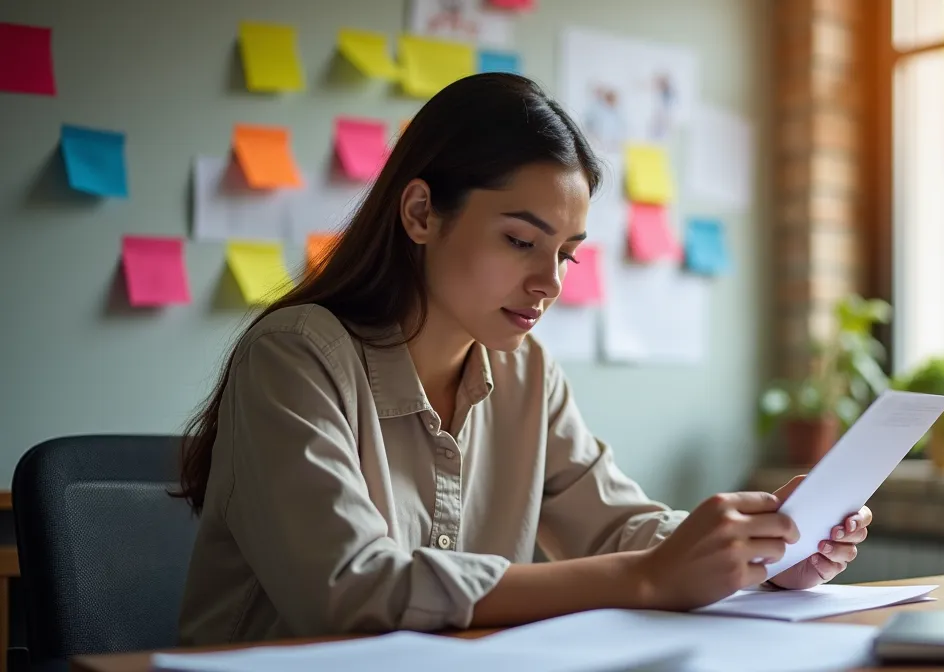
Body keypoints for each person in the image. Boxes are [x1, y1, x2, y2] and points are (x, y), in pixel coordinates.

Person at [173, 73, 872, 645]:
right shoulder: (294, 356)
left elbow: (619, 527)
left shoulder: (526, 371)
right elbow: (350, 590)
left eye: (566, 253)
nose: (551, 282)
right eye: (519, 241)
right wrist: (646, 579)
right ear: (420, 214)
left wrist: (767, 552)